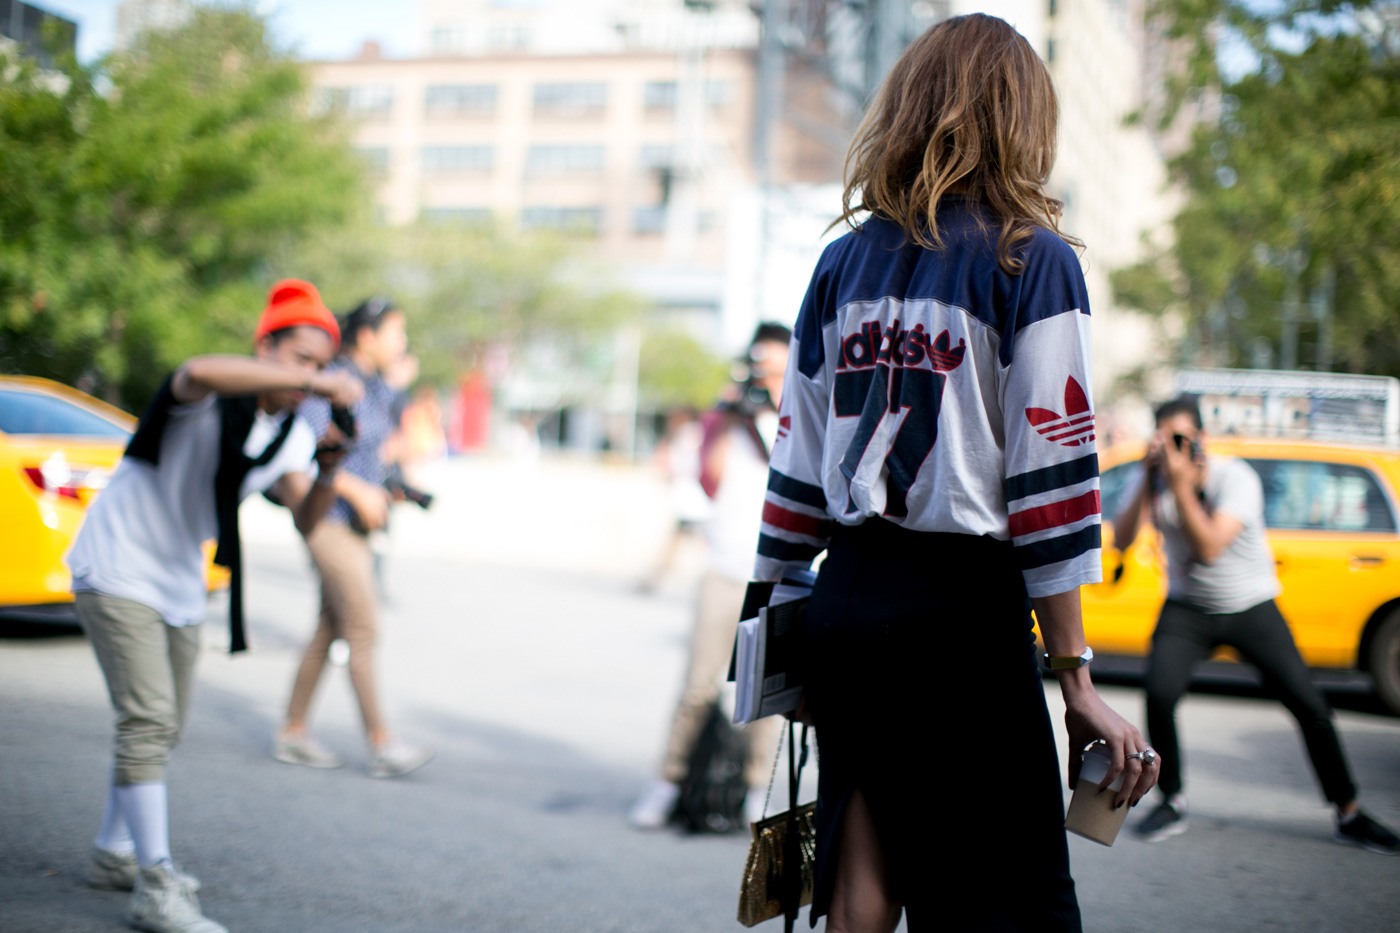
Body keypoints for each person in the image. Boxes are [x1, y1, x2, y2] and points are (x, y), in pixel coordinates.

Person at [750, 16, 1159, 931]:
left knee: (860, 893)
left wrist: (773, 614)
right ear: (1022, 118)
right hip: (961, 615)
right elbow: (1052, 487)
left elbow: (796, 465)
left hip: (847, 598)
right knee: (1012, 904)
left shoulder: (841, 262)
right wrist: (1075, 677)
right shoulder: (1031, 260)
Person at [66, 279, 360, 933]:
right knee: (149, 721)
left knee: (162, 726)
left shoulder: (288, 431)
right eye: (301, 360)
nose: (311, 378)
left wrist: (330, 468)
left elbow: (307, 519)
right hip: (118, 564)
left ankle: (115, 852)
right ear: (265, 347)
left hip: (178, 579)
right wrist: (320, 384)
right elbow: (195, 370)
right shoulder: (209, 395)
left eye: (322, 366)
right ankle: (156, 883)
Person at [1114, 396, 1400, 854]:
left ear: (1202, 439)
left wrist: (1181, 485)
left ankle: (1349, 811)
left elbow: (1209, 547)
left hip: (1250, 605)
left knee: (1309, 704)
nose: (1172, 449)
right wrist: (1149, 480)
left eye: (1180, 439)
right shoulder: (1151, 477)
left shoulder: (1235, 477)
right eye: (1163, 439)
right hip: (1188, 609)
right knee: (1160, 692)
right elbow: (1123, 540)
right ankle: (1171, 799)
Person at [628, 324, 793, 829]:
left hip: (778, 573)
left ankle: (755, 790)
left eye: (774, 367)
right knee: (698, 686)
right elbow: (708, 478)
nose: (763, 376)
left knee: (767, 694)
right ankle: (668, 781)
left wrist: (780, 405)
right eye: (758, 366)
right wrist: (730, 414)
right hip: (724, 567)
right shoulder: (727, 420)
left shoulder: (802, 413)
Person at [272, 296, 433, 778]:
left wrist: (388, 488)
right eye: (396, 333)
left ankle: (292, 732)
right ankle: (382, 744)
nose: (403, 343)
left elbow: (377, 448)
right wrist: (357, 490)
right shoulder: (333, 382)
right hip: (328, 520)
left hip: (357, 525)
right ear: (367, 337)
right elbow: (301, 454)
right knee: (362, 627)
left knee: (330, 627)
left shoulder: (377, 386)